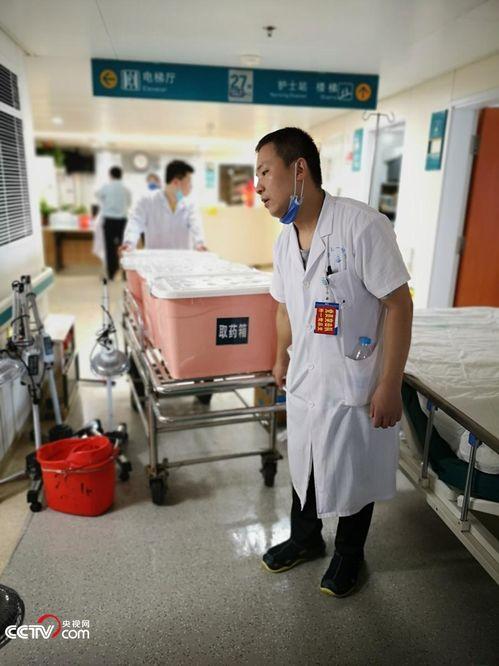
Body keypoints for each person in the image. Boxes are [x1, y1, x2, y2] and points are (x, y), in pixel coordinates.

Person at [256, 127, 413, 597]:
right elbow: (284, 308)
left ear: (298, 169)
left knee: (352, 468)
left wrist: (390, 383)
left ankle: (349, 554)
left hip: (354, 377)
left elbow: (399, 305)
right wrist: (278, 358)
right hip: (306, 376)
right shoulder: (284, 242)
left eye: (264, 172)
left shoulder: (362, 226)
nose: (258, 186)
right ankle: (305, 539)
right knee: (302, 458)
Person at [120, 160, 207, 252]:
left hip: (181, 258)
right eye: (189, 181)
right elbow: (135, 222)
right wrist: (129, 243)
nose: (191, 186)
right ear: (176, 182)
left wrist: (199, 243)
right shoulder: (147, 200)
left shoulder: (189, 204)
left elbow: (196, 226)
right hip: (154, 258)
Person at [95, 166, 131, 279]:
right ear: (121, 175)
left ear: (110, 175)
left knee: (109, 247)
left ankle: (112, 273)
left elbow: (97, 195)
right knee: (123, 247)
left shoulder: (106, 187)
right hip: (122, 221)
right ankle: (125, 274)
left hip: (109, 221)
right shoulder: (126, 189)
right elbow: (129, 203)